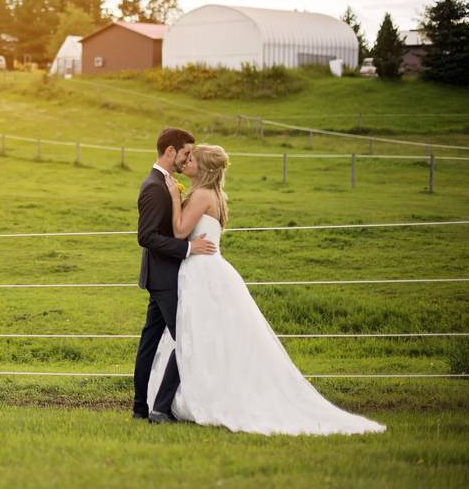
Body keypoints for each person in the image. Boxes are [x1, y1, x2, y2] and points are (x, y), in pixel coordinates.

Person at [146, 143, 386, 435]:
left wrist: (173, 197)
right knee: (205, 336)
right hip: (213, 269)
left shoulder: (202, 194)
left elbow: (181, 231)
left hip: (201, 273)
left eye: (192, 159)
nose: (187, 162)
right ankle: (176, 400)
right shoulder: (217, 195)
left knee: (192, 335)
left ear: (205, 168)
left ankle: (165, 404)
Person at [132, 128, 218, 423]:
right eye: (184, 153)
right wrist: (187, 248)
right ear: (170, 151)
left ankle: (140, 408)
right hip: (165, 278)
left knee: (150, 342)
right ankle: (159, 408)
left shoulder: (166, 183)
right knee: (187, 340)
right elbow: (146, 237)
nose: (185, 159)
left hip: (165, 277)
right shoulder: (155, 187)